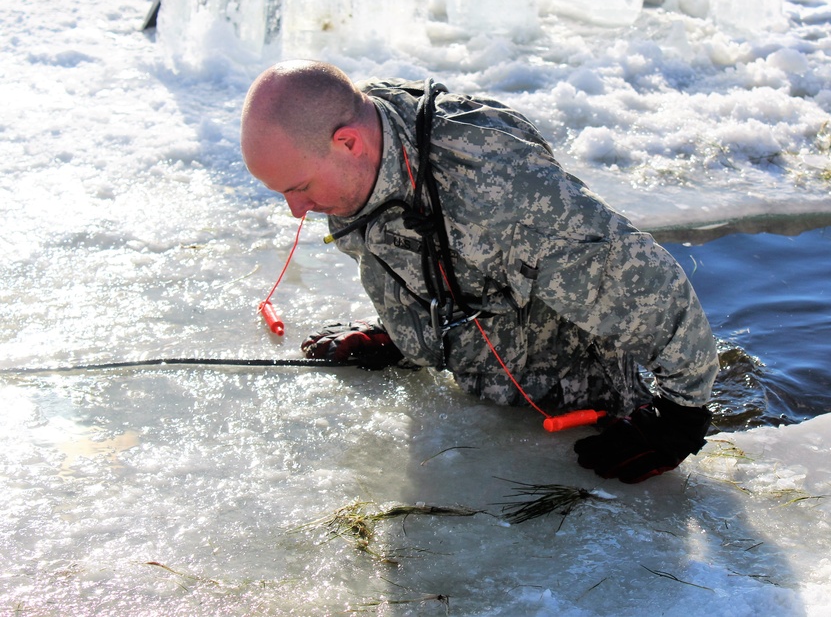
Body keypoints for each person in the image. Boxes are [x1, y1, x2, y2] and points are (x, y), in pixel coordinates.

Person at [241, 60, 719, 483]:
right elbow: (425, 250)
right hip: (482, 386)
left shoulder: (497, 187)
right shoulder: (360, 137)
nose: (295, 210)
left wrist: (679, 417)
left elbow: (647, 283)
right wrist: (402, 335)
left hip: (578, 406)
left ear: (349, 143)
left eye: (299, 188)